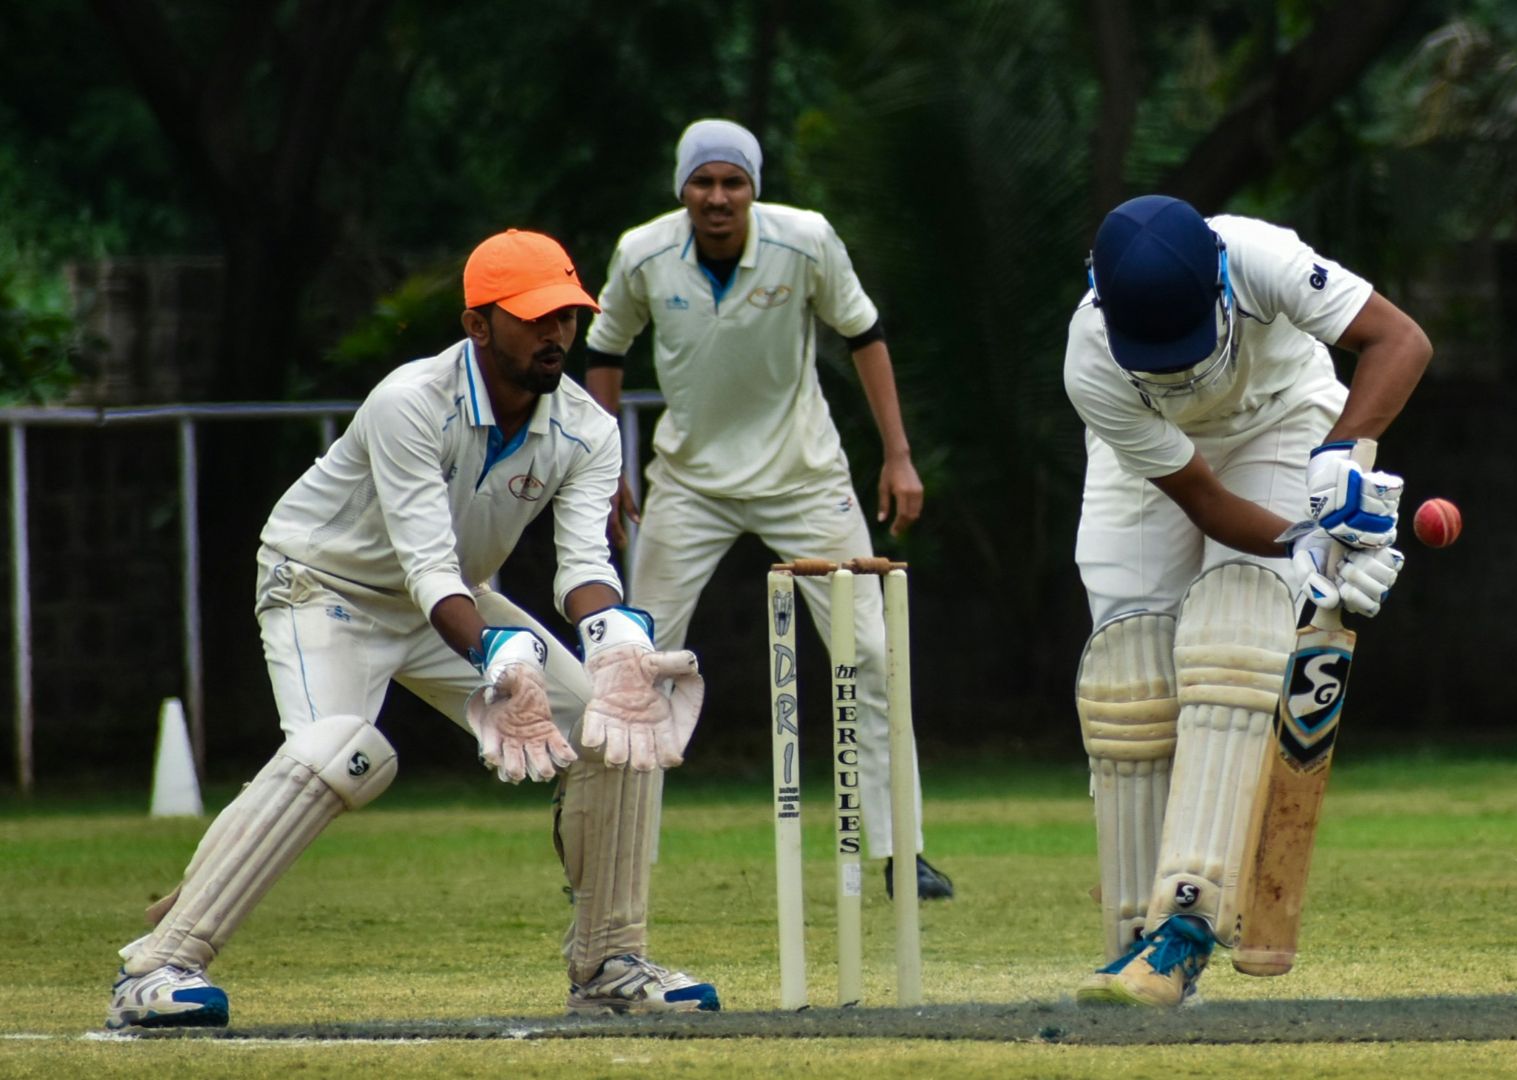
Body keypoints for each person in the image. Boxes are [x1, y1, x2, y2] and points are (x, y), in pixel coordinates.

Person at [105, 229, 718, 1030]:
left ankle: (609, 962)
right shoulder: (409, 402)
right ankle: (157, 968)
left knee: (620, 729)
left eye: (566, 315)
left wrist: (618, 640)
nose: (556, 334)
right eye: (534, 318)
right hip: (323, 585)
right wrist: (497, 652)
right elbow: (425, 563)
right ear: (477, 326)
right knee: (342, 751)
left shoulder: (587, 426)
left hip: (450, 598)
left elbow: (582, 566)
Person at [1064, 195, 1430, 1005]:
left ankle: (1187, 922)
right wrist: (1308, 544)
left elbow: (1400, 339)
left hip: (1280, 420)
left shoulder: (1257, 256)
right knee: (1127, 672)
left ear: (1221, 283)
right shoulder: (1092, 363)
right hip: (1157, 466)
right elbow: (1199, 497)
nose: (1176, 364)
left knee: (1234, 635)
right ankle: (1134, 939)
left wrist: (1344, 457)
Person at [582, 118, 953, 900]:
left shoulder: (805, 240)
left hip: (803, 473)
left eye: (733, 183)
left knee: (874, 654)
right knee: (632, 661)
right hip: (689, 481)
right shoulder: (642, 253)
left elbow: (865, 332)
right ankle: (611, 853)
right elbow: (605, 351)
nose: (717, 199)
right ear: (681, 189)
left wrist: (898, 454)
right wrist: (604, 462)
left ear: (754, 188)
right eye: (703, 183)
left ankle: (900, 851)